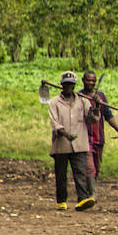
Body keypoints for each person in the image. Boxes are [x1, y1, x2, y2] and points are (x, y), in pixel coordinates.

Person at [47, 70, 97, 211]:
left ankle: (82, 199)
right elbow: (54, 122)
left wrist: (97, 107)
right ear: (62, 85)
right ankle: (61, 201)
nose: (69, 87)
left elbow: (91, 119)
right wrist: (65, 133)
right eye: (66, 84)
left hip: (79, 143)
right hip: (61, 144)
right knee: (61, 174)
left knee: (80, 172)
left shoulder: (83, 101)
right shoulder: (54, 102)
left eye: (71, 85)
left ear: (75, 86)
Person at [80, 70, 118, 179]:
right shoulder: (79, 96)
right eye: (88, 80)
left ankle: (91, 187)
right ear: (83, 80)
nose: (91, 83)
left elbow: (108, 115)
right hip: (84, 138)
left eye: (93, 81)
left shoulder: (100, 96)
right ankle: (90, 193)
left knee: (97, 167)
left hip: (98, 138)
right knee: (89, 167)